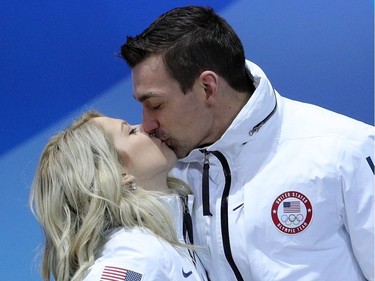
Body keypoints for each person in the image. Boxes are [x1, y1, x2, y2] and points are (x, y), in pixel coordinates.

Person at [120, 5, 375, 281]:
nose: (147, 124)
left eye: (156, 105)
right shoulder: (167, 169)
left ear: (208, 88)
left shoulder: (345, 148)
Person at [29, 111, 208, 281]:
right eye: (131, 132)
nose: (146, 127)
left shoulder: (170, 233)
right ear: (116, 173)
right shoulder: (135, 254)